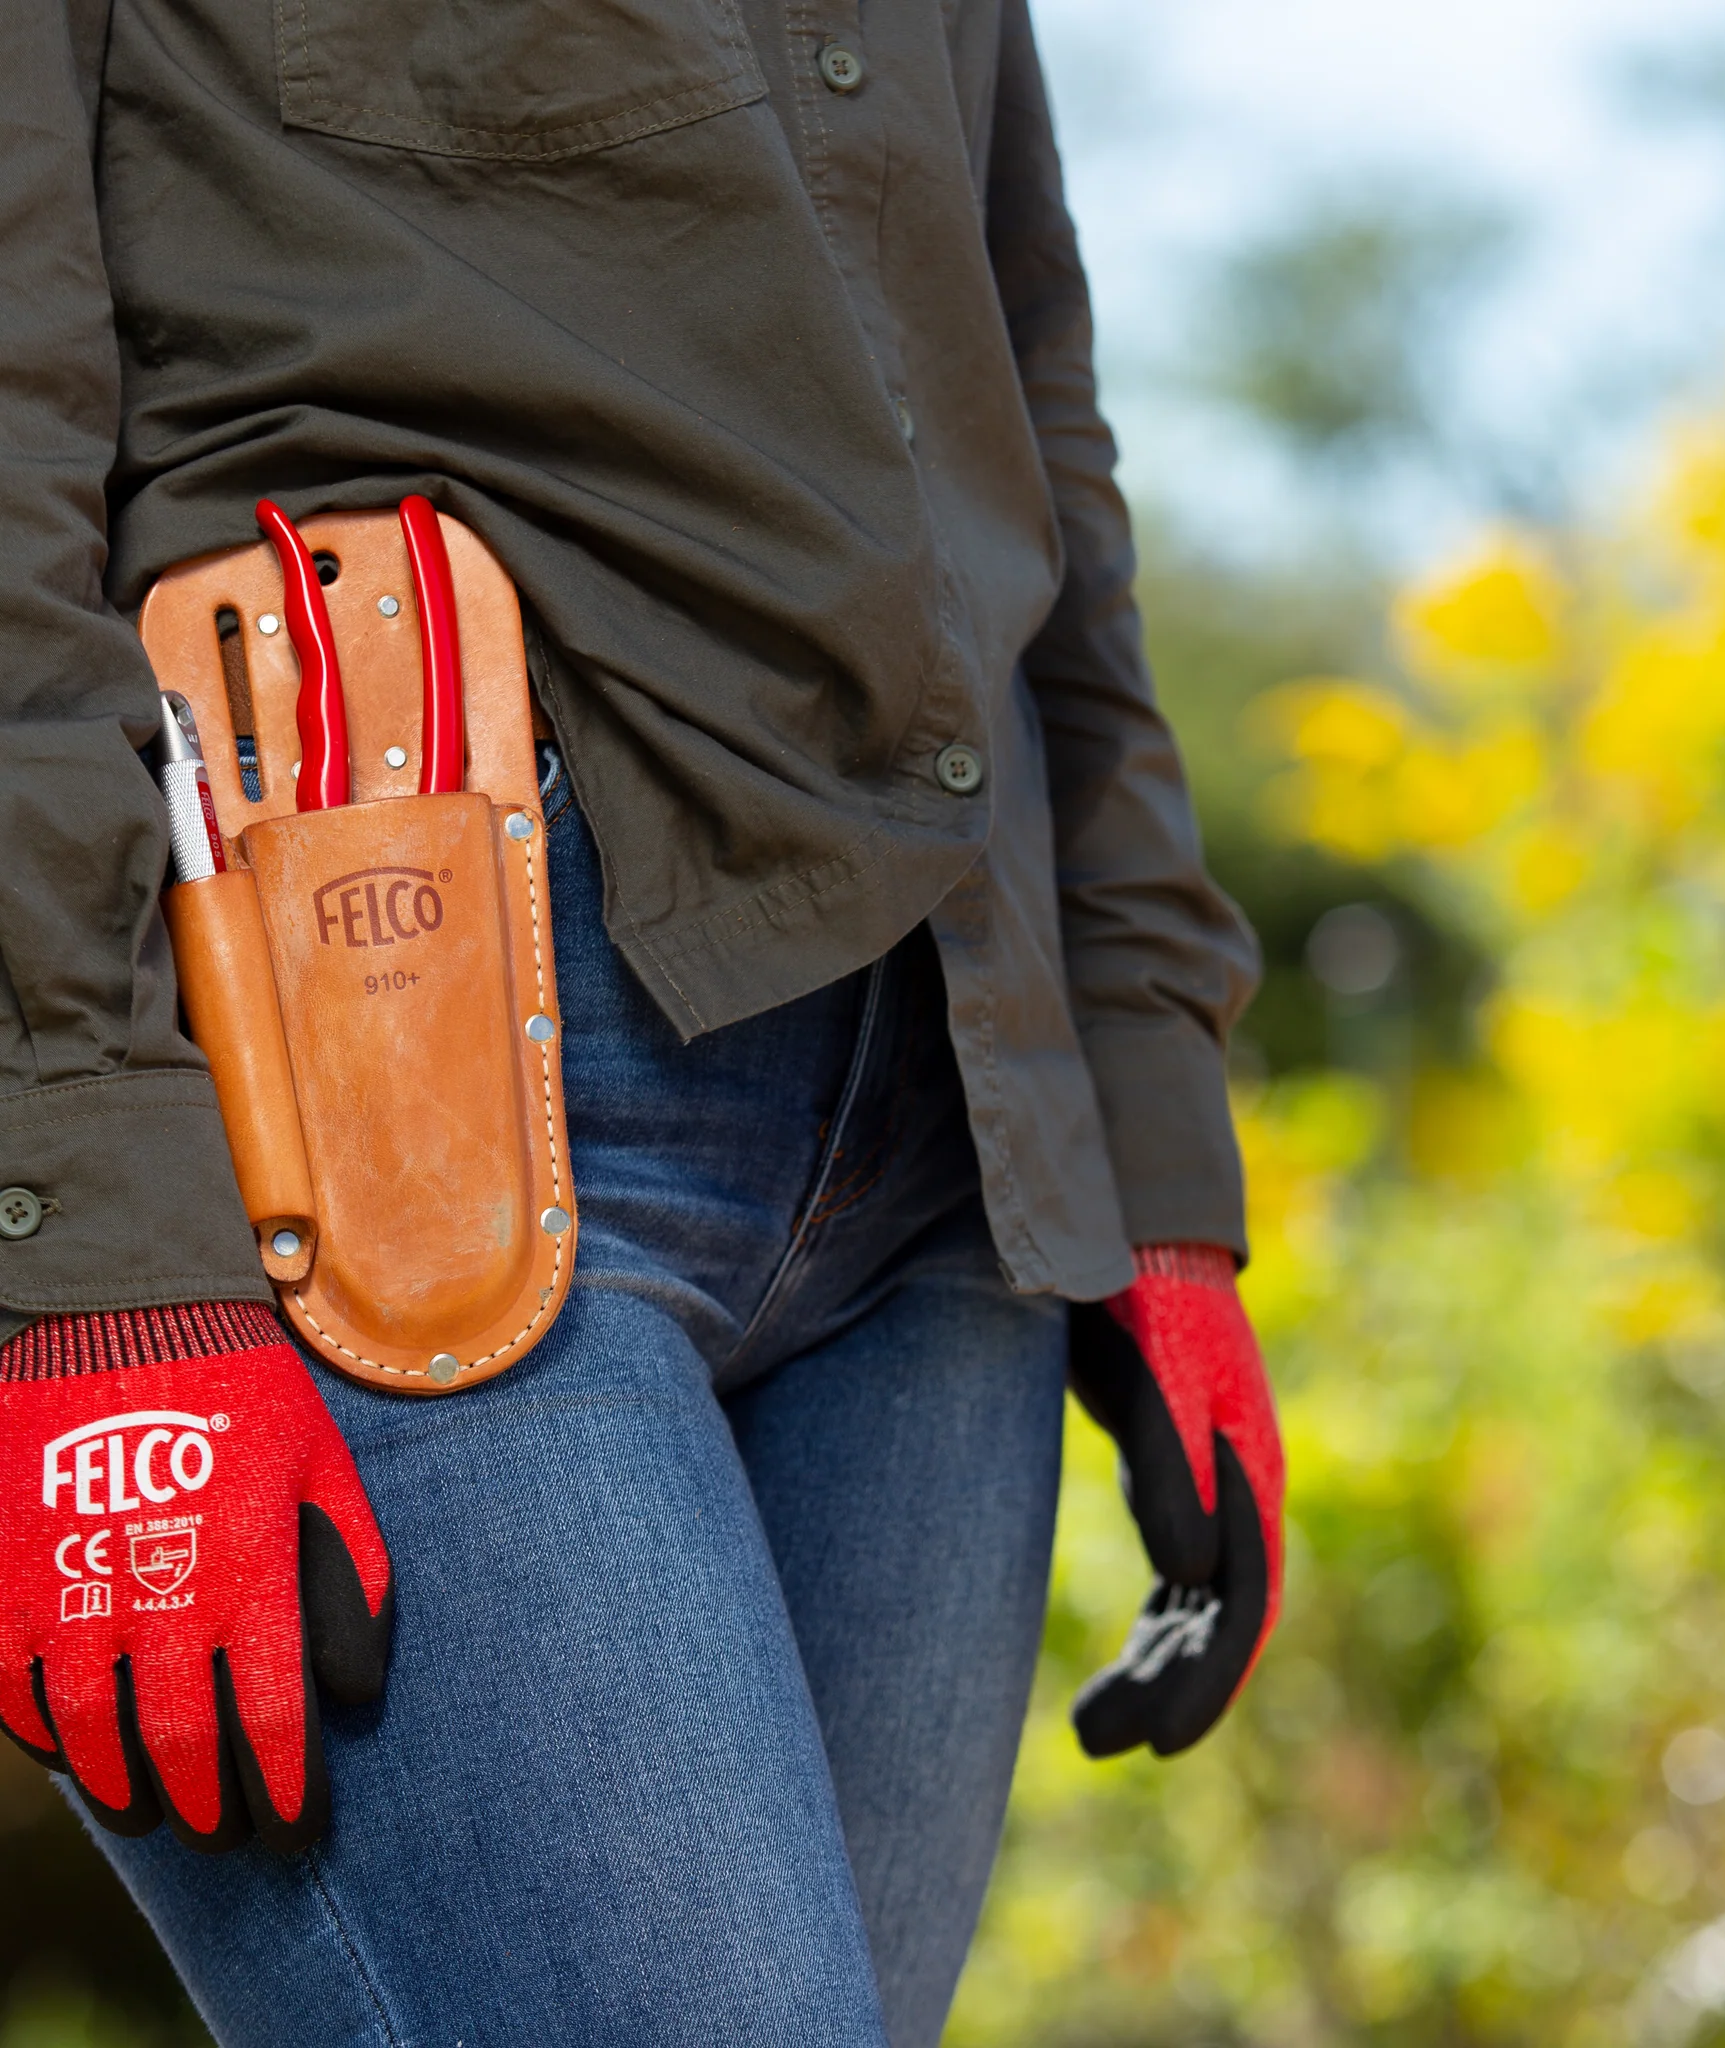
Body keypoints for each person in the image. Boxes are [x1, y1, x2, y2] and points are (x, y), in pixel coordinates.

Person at [0, 0, 1285, 2041]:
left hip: (954, 1121)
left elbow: (1022, 395)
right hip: (393, 1068)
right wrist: (81, 1251)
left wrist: (1145, 1125)